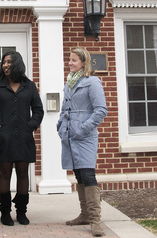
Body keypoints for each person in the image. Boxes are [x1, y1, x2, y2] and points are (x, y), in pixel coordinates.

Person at [0, 51, 44, 226]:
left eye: (9, 62)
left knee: (23, 174)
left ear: (17, 64)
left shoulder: (29, 86)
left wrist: (31, 125)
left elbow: (38, 110)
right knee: (5, 174)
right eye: (4, 62)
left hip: (24, 137)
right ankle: (5, 213)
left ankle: (22, 212)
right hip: (4, 138)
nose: (5, 65)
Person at [57, 47, 108, 237]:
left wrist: (83, 128)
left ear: (84, 63)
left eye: (73, 61)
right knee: (78, 174)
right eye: (69, 60)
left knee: (88, 174)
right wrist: (60, 125)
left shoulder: (92, 82)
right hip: (69, 135)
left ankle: (96, 220)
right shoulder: (69, 83)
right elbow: (64, 108)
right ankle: (85, 214)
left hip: (84, 137)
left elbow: (101, 110)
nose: (69, 63)